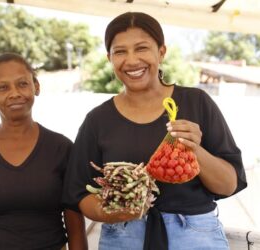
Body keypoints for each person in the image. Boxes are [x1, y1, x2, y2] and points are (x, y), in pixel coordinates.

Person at [62, 12, 247, 250]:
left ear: (161, 52)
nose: (131, 61)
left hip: (194, 237)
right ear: (109, 58)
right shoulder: (98, 119)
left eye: (142, 48)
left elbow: (228, 184)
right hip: (124, 237)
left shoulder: (196, 102)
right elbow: (77, 193)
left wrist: (194, 149)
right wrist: (112, 213)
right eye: (120, 52)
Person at [0, 52, 88, 250]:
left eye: (22, 84)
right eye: (3, 87)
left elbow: (76, 229)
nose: (14, 93)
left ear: (36, 86)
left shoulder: (62, 148)